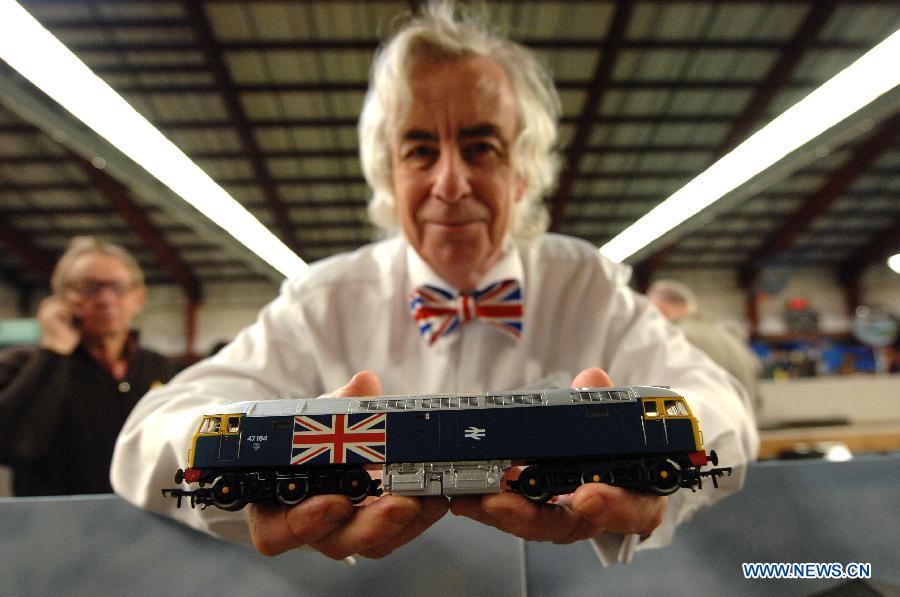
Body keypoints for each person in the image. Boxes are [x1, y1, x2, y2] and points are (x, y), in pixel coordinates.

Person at [111, 2, 757, 566]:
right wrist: (262, 490)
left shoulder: (585, 282)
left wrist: (655, 490)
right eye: (420, 149)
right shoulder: (322, 300)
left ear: (524, 172)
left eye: (481, 147)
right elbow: (146, 439)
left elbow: (719, 403)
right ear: (388, 176)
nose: (450, 183)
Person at [0, 236, 175, 496]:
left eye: (118, 287)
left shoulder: (159, 369)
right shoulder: (23, 365)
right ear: (62, 297)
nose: (105, 299)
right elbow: (12, 446)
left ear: (138, 298)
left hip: (145, 527)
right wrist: (55, 352)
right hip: (53, 528)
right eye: (89, 287)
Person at [647, 279, 764, 412]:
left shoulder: (678, 339)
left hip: (712, 426)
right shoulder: (728, 334)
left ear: (662, 310)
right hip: (746, 423)